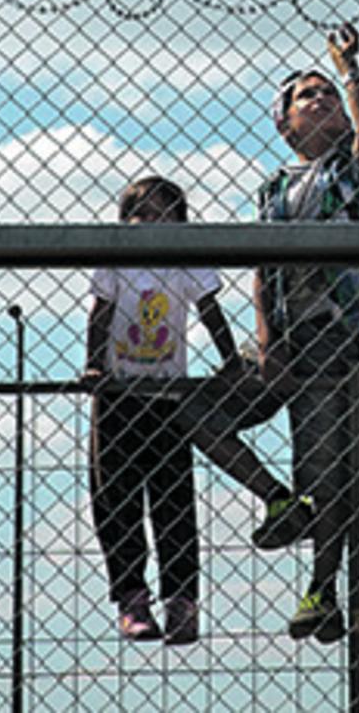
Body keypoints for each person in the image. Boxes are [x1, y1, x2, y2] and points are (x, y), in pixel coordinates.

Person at [183, 22, 359, 642]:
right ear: (285, 126)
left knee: (332, 472)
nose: (320, 99)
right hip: (279, 340)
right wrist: (266, 343)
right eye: (306, 95)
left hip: (328, 340)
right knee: (190, 409)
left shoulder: (346, 174)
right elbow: (263, 268)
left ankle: (322, 590)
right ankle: (276, 497)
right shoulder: (273, 188)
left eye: (328, 95)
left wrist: (349, 70)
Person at [83, 175, 241, 645]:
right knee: (116, 498)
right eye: (141, 214)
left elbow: (210, 308)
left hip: (168, 396)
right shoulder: (117, 258)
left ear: (179, 223)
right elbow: (100, 314)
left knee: (174, 501)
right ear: (125, 221)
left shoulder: (182, 260)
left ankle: (181, 600)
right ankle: (132, 597)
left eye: (162, 215)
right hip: (118, 395)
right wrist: (94, 366)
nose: (151, 223)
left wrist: (231, 360)